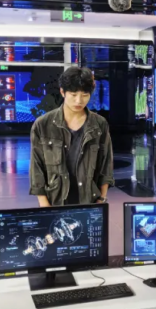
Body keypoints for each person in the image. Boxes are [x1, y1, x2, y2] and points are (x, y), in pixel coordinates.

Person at [29, 66, 114, 207]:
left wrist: (102, 199)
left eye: (85, 95)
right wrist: (45, 206)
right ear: (62, 92)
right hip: (55, 201)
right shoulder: (43, 124)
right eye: (73, 95)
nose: (79, 101)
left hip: (90, 201)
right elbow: (36, 167)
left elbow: (106, 164)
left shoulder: (99, 124)